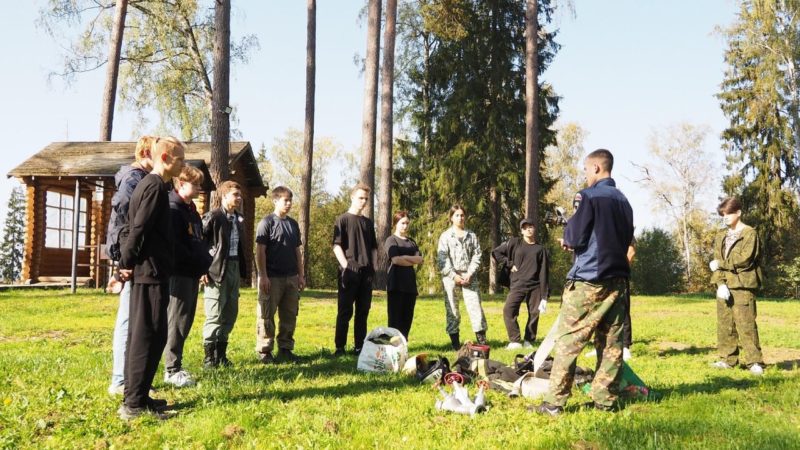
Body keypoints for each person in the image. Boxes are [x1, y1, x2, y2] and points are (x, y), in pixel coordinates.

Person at [534, 149, 634, 416]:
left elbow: (575, 237)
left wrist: (568, 241)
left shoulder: (587, 196)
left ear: (597, 168)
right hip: (618, 281)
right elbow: (621, 240)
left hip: (589, 280)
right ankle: (605, 401)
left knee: (569, 340)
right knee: (611, 344)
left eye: (587, 170)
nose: (586, 175)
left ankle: (554, 403)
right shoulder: (624, 201)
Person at [118, 136, 186, 420]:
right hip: (149, 272)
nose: (184, 165)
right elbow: (138, 227)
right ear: (166, 158)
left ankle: (141, 396)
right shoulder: (155, 186)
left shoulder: (155, 184)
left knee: (153, 335)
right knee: (146, 337)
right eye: (180, 159)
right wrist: (125, 262)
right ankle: (133, 405)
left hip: (153, 272)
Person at [106, 135, 153, 396]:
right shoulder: (132, 181)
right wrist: (126, 259)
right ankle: (120, 379)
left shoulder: (141, 180)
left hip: (138, 257)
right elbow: (127, 220)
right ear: (146, 153)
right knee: (127, 318)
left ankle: (132, 376)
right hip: (130, 258)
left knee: (137, 317)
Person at [163, 165, 211, 387]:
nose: (200, 188)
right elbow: (176, 247)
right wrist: (195, 261)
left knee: (186, 320)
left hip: (192, 272)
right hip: (179, 273)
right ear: (181, 184)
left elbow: (197, 241)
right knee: (176, 321)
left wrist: (203, 264)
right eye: (196, 184)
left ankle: (176, 364)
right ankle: (171, 369)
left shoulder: (191, 210)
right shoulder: (173, 209)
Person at [709, 197, 764, 376]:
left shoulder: (750, 234)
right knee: (725, 324)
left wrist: (719, 264)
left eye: (728, 213)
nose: (725, 217)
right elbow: (716, 262)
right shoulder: (720, 236)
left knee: (746, 324)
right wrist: (719, 283)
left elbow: (745, 260)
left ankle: (754, 361)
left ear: (738, 212)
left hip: (743, 285)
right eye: (722, 214)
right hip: (725, 285)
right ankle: (727, 359)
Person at [255, 186, 305, 364]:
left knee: (290, 315)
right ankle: (265, 351)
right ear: (275, 201)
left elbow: (297, 251)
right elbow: (260, 251)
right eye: (285, 200)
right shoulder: (266, 223)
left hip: (291, 277)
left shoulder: (293, 224)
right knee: (266, 315)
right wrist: (263, 276)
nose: (289, 203)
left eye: (291, 200)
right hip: (272, 278)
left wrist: (301, 275)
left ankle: (285, 349)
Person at [201, 180, 247, 368]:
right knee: (215, 312)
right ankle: (209, 358)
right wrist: (203, 268)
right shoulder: (213, 217)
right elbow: (201, 244)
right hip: (217, 269)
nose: (239, 198)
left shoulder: (240, 219)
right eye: (235, 194)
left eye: (240, 194)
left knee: (230, 312)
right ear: (224, 196)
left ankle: (221, 355)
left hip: (234, 268)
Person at [332, 182, 378, 356]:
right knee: (345, 311)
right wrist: (346, 267)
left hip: (366, 272)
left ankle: (360, 346)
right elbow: (336, 246)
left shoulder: (368, 223)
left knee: (363, 311)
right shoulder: (342, 219)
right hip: (349, 270)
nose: (363, 201)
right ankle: (340, 347)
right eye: (360, 198)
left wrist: (373, 267)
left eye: (366, 199)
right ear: (352, 197)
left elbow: (374, 247)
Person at [492, 218, 549, 350]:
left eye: (531, 227)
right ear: (522, 230)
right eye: (525, 227)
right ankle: (515, 340)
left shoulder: (540, 249)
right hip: (517, 284)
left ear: (534, 229)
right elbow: (496, 253)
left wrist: (545, 295)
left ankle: (529, 340)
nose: (528, 229)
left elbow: (544, 272)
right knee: (508, 310)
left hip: (535, 286)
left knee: (534, 313)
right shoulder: (514, 243)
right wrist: (509, 263)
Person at [436, 205, 487, 350]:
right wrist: (453, 275)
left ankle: (481, 340)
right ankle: (455, 343)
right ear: (451, 217)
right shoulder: (445, 236)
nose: (460, 218)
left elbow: (477, 255)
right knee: (452, 308)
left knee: (475, 307)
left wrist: (470, 273)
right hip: (451, 277)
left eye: (462, 215)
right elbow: (442, 258)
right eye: (457, 215)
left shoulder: (471, 235)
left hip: (469, 276)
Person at [384, 211, 423, 340]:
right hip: (396, 284)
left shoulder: (411, 242)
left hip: (410, 286)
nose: (405, 226)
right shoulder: (391, 240)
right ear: (396, 223)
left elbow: (419, 260)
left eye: (407, 223)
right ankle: (393, 345)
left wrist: (404, 257)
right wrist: (410, 259)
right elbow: (395, 260)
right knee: (395, 318)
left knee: (407, 318)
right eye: (402, 223)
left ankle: (403, 344)